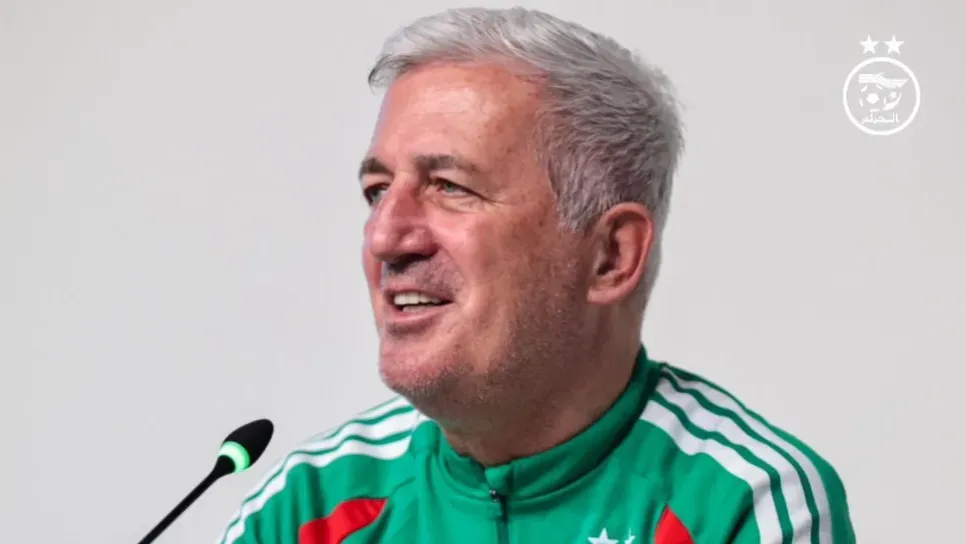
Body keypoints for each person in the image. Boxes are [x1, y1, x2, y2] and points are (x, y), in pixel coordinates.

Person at [216, 7, 855, 544]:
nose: (384, 237)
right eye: (377, 191)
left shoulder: (742, 502)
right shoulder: (305, 508)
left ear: (610, 257)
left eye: (449, 186)